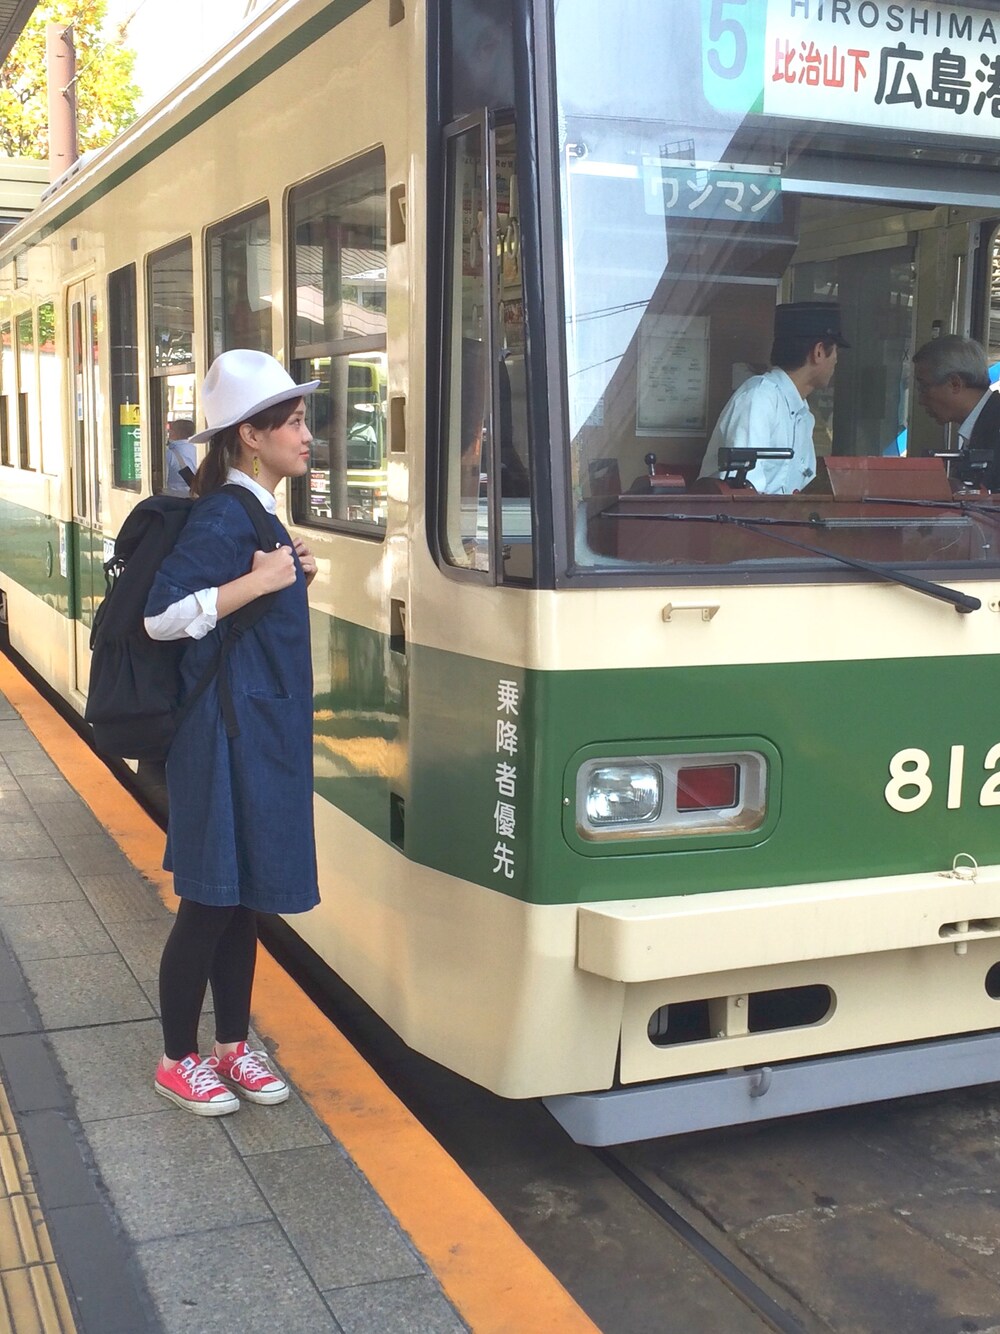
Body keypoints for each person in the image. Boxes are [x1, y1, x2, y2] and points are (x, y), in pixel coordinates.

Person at [144, 349, 321, 1115]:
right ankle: (177, 1058)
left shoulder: (257, 511)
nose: (307, 435)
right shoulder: (225, 512)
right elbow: (160, 616)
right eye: (294, 421)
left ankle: (231, 1047)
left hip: (250, 731)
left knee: (241, 897)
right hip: (219, 735)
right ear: (251, 435)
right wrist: (259, 580)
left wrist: (286, 573)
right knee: (211, 900)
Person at [698, 301, 849, 494]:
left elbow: (804, 484)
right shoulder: (759, 399)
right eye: (836, 351)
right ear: (819, 352)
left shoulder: (803, 414)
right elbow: (743, 490)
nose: (836, 360)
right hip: (742, 513)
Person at [912, 335, 1000, 489]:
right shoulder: (985, 423)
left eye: (924, 387)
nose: (921, 400)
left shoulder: (995, 428)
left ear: (955, 384)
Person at [164, 418, 197, 495]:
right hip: (195, 495)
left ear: (174, 433)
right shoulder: (198, 451)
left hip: (174, 497)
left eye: (170, 431)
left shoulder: (169, 454)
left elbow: (164, 478)